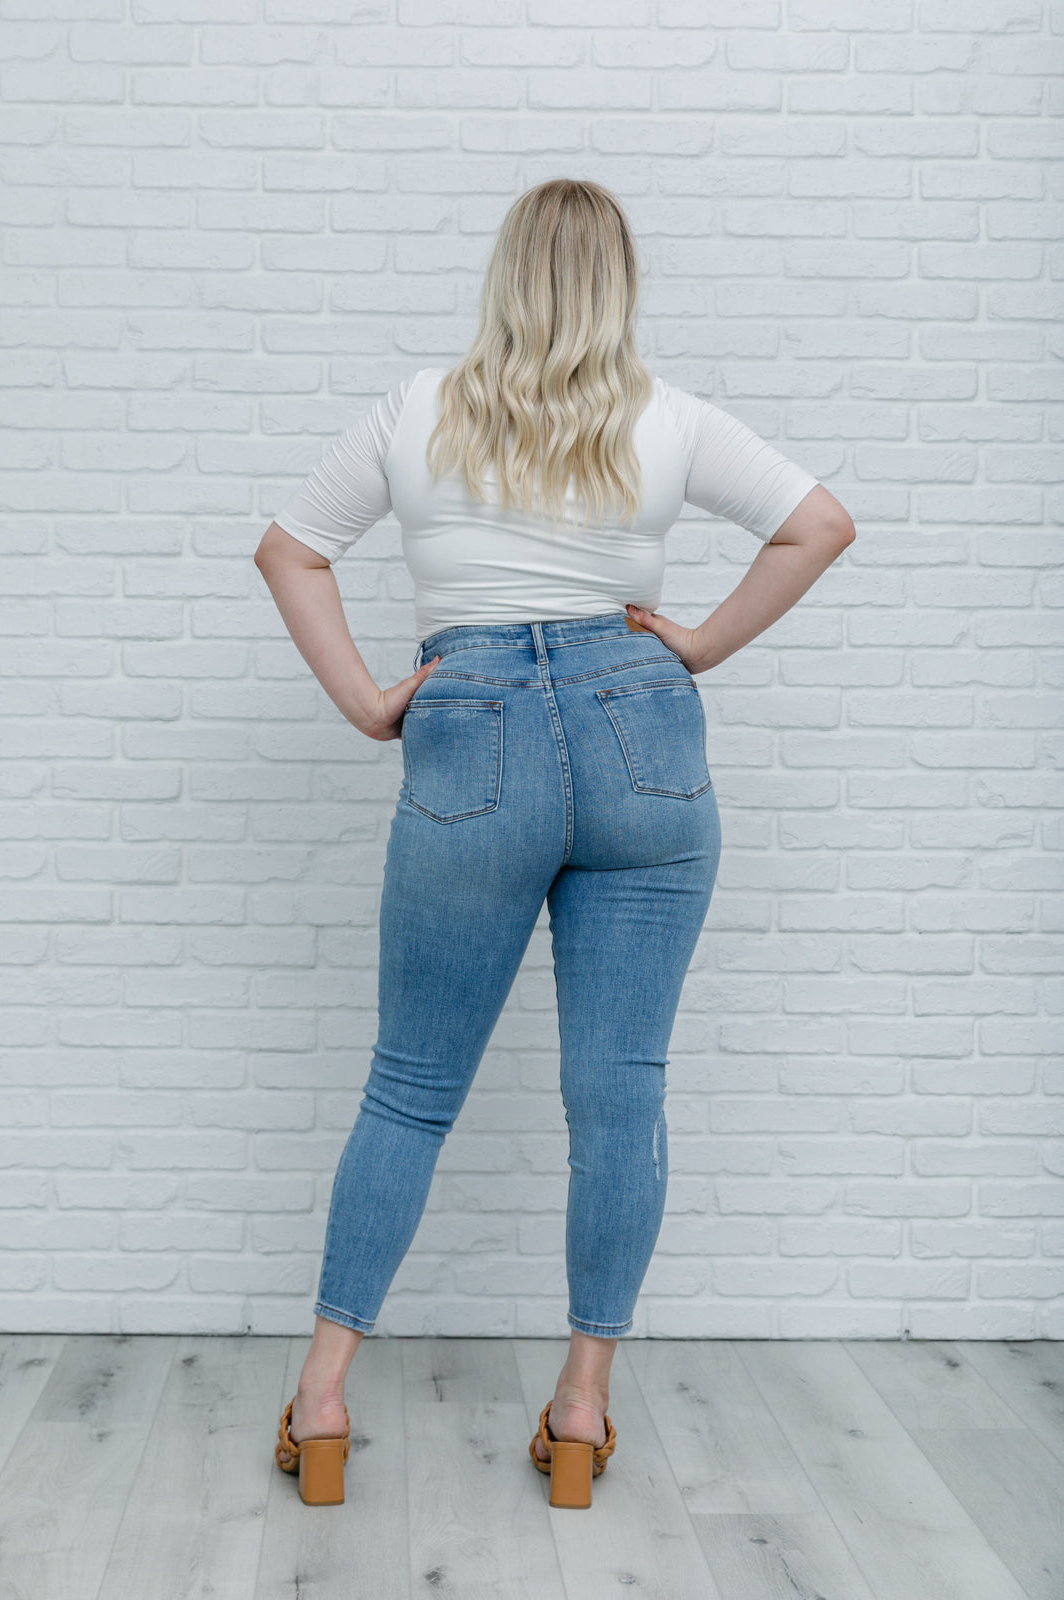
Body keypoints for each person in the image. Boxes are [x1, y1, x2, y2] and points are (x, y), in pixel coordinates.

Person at [255, 178, 855, 1508]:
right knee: (620, 1095)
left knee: (410, 1087)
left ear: (505, 277)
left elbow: (288, 550)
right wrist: (698, 642)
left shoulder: (417, 409)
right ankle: (582, 1409)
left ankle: (323, 1399)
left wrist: (367, 701)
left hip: (469, 727)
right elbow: (820, 524)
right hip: (643, 727)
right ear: (617, 285)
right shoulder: (669, 417)